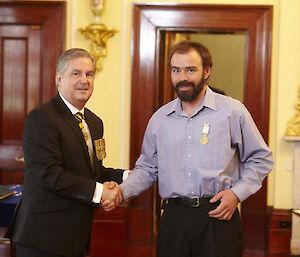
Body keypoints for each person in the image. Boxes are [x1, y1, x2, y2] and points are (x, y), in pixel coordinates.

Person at [117, 41, 274, 257]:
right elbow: (147, 167)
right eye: (176, 70)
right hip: (173, 220)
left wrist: (236, 194)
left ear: (206, 71)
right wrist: (120, 192)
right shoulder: (160, 119)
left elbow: (261, 158)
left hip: (218, 217)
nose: (183, 77)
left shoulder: (232, 111)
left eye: (191, 70)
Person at [5, 48, 124, 257]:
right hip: (42, 237)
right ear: (59, 79)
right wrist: (100, 192)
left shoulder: (95, 123)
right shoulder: (42, 118)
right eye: (76, 73)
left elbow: (95, 172)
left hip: (76, 236)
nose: (84, 80)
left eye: (89, 74)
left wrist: (133, 176)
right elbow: (50, 175)